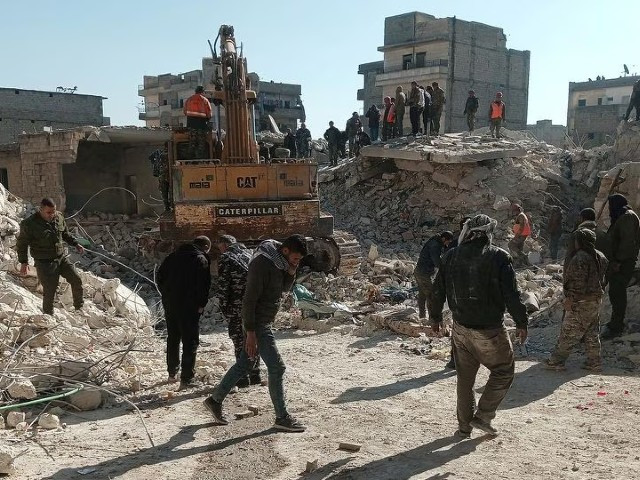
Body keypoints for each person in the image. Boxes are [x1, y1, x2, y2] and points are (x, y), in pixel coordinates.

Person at [432, 214, 528, 437]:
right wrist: (522, 321)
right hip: (489, 330)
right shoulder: (499, 257)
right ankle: (484, 416)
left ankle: (464, 427)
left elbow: (438, 290)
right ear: (488, 233)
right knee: (503, 371)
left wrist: (435, 317)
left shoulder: (450, 256)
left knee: (465, 379)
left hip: (461, 328)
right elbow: (512, 295)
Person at [204, 235, 308, 432]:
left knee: (246, 363)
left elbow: (284, 289)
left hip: (264, 321)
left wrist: (292, 270)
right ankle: (282, 417)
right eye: (295, 259)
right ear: (285, 251)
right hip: (258, 323)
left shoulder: (280, 262)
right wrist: (250, 332)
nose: (297, 262)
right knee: (277, 368)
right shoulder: (262, 263)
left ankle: (215, 400)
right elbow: (249, 300)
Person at [545, 228, 608, 371]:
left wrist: (570, 299)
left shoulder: (580, 257)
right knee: (592, 331)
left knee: (568, 332)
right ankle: (594, 362)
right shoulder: (600, 256)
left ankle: (556, 361)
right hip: (595, 300)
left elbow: (578, 282)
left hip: (581, 302)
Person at [157, 236, 212, 389]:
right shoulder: (200, 259)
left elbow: (160, 277)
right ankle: (187, 378)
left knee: (173, 338)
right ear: (205, 246)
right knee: (190, 341)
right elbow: (204, 285)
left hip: (171, 305)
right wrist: (201, 304)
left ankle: (172, 373)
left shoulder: (172, 257)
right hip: (190, 307)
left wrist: (166, 295)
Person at [17, 198, 85, 315]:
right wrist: (24, 262)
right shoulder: (29, 224)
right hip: (44, 262)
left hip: (60, 258)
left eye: (54, 211)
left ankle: (79, 308)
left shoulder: (58, 217)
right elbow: (22, 244)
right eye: (49, 212)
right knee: (50, 290)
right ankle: (48, 316)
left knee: (76, 279)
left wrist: (75, 244)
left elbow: (65, 234)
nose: (52, 214)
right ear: (40, 210)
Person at [215, 235, 260, 388]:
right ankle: (255, 374)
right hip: (254, 304)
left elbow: (223, 285)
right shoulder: (251, 254)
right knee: (252, 338)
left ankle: (241, 378)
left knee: (239, 340)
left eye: (220, 247)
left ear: (225, 245)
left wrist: (224, 307)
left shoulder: (226, 257)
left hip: (236, 306)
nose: (220, 250)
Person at [602, 194, 640, 338]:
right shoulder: (623, 216)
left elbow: (627, 243)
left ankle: (617, 326)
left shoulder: (627, 217)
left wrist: (618, 261)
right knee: (615, 293)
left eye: (610, 205)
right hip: (619, 261)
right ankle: (615, 323)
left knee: (618, 293)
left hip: (622, 262)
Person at [414, 231, 453, 320]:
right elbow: (436, 261)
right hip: (423, 273)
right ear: (444, 239)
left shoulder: (435, 242)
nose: (448, 244)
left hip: (419, 271)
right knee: (431, 295)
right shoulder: (435, 245)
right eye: (448, 241)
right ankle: (433, 319)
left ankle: (422, 317)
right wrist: (445, 270)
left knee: (423, 294)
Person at [183, 86, 212, 159]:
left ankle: (190, 159)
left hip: (191, 124)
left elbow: (185, 112)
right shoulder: (204, 100)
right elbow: (209, 114)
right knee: (201, 143)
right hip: (201, 125)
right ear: (202, 92)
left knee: (192, 142)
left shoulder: (189, 100)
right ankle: (199, 159)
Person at [149, 143, 171, 211]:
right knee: (167, 192)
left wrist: (155, 164)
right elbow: (151, 158)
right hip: (168, 176)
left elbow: (150, 158)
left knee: (164, 193)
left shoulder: (159, 153)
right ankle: (167, 207)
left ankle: (167, 207)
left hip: (163, 176)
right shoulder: (166, 153)